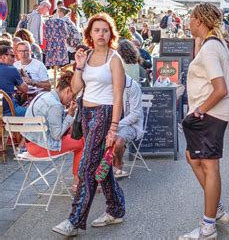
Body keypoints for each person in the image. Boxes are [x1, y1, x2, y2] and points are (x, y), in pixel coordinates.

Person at [52, 12, 125, 237]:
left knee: (86, 168)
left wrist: (113, 128)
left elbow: (118, 96)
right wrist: (80, 67)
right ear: (90, 33)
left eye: (105, 30)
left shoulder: (114, 59)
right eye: (96, 30)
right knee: (100, 168)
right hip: (86, 113)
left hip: (104, 114)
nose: (101, 34)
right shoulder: (88, 55)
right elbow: (74, 88)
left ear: (110, 33)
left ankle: (74, 220)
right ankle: (116, 209)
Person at [180, 3, 229, 239]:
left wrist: (200, 110)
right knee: (192, 157)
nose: (188, 22)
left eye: (191, 17)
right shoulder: (213, 44)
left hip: (210, 112)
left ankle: (208, 225)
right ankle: (216, 208)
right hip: (211, 112)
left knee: (210, 167)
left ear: (199, 21)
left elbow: (220, 88)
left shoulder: (211, 48)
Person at [23, 71, 84, 191]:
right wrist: (70, 115)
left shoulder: (42, 95)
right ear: (67, 91)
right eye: (72, 97)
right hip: (41, 147)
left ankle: (80, 179)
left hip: (31, 143)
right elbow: (56, 135)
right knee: (82, 142)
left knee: (75, 135)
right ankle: (78, 182)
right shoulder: (55, 105)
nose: (71, 100)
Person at [113, 75, 144, 178]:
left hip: (131, 124)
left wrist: (114, 126)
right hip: (113, 122)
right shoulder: (107, 84)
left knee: (118, 141)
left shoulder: (133, 86)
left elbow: (135, 115)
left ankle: (118, 164)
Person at [0, 45, 28, 116]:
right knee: (34, 112)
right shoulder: (12, 69)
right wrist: (25, 77)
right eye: (12, 56)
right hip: (9, 112)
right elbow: (25, 89)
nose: (15, 59)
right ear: (3, 57)